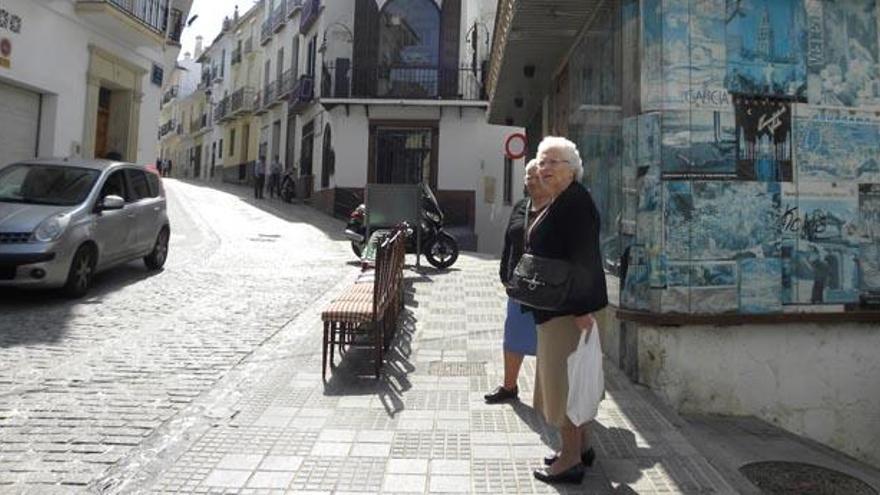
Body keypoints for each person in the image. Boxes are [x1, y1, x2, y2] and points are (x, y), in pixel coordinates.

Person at [525, 136, 608, 485]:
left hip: (569, 312)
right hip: (563, 309)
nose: (544, 168)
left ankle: (571, 459)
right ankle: (579, 448)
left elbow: (583, 258)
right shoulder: (565, 199)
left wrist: (580, 310)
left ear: (571, 169)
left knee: (566, 386)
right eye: (541, 162)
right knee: (570, 383)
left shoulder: (574, 202)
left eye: (552, 162)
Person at [484, 160, 550, 404]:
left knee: (547, 340)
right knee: (513, 337)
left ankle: (546, 395)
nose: (531, 181)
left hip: (548, 288)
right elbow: (509, 241)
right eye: (527, 177)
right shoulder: (522, 206)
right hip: (520, 286)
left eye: (536, 177)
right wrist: (505, 274)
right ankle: (509, 387)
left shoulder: (557, 209)